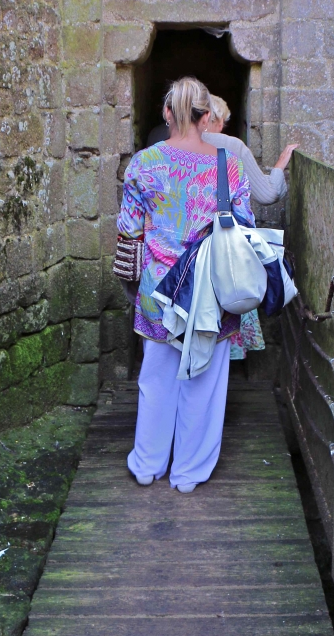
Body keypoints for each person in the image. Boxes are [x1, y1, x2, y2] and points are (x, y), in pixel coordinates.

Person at [117, 77, 254, 493]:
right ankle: (188, 473)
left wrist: (135, 280)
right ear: (207, 116)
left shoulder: (143, 163)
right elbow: (244, 228)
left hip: (159, 290)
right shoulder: (226, 165)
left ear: (166, 113)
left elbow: (128, 231)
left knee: (156, 379)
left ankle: (147, 464)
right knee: (204, 382)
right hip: (209, 293)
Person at [203, 94, 298, 361]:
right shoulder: (232, 146)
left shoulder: (167, 147)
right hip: (226, 248)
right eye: (222, 121)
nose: (223, 128)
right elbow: (267, 195)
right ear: (212, 118)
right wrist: (279, 165)